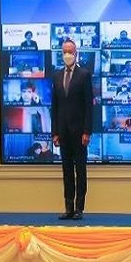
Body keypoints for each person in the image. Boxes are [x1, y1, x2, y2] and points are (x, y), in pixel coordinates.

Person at [51, 40, 94, 220]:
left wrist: (87, 131)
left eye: (70, 51)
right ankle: (68, 207)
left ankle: (79, 208)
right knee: (66, 170)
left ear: (76, 53)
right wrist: (54, 132)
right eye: (65, 52)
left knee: (80, 171)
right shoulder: (56, 76)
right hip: (63, 132)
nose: (67, 55)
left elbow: (89, 105)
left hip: (79, 132)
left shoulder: (84, 74)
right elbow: (55, 106)